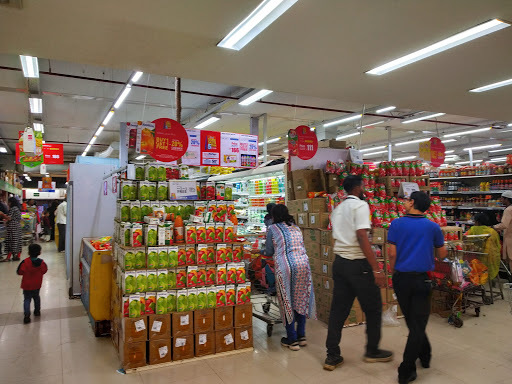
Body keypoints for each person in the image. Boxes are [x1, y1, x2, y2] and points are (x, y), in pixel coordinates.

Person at [325, 175, 392, 371]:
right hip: (358, 265)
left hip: (340, 263)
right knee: (373, 308)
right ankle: (372, 350)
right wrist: (376, 268)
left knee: (338, 310)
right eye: (363, 186)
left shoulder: (337, 209)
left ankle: (332, 356)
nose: (364, 189)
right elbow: (362, 236)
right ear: (358, 188)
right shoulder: (360, 206)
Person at [387, 191, 446, 384]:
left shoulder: (396, 224)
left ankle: (410, 366)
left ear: (412, 203)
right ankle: (419, 359)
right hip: (423, 280)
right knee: (417, 323)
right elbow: (442, 254)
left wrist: (394, 272)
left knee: (414, 322)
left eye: (406, 200)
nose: (404, 202)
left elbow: (392, 253)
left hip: (401, 279)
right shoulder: (433, 227)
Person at [257, 204, 315, 350]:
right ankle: (301, 336)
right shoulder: (296, 228)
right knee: (301, 299)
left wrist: (260, 250)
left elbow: (269, 251)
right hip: (303, 264)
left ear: (274, 216)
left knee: (286, 301)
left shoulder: (273, 229)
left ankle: (292, 339)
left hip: (286, 267)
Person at [17, 243, 48, 324]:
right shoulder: (41, 262)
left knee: (27, 299)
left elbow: (19, 271)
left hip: (26, 285)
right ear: (39, 253)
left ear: (28, 253)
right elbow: (44, 270)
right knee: (36, 297)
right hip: (37, 285)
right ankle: (37, 311)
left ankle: (27, 315)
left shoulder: (25, 262)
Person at [467, 213, 501, 281]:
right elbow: (498, 245)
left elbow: (467, 241)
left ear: (477, 221)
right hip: (490, 258)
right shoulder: (492, 231)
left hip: (475, 259)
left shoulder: (472, 230)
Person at [494, 191, 512, 271]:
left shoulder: (508, 210)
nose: (501, 200)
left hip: (510, 238)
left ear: (507, 199)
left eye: (502, 198)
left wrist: (493, 227)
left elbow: (504, 225)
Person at [0, 197, 22, 262]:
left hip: (12, 227)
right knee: (17, 241)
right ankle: (17, 256)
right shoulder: (17, 209)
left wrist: (2, 214)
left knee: (10, 241)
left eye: (9, 202)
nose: (8, 203)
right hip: (17, 226)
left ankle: (8, 257)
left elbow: (9, 218)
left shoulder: (13, 209)